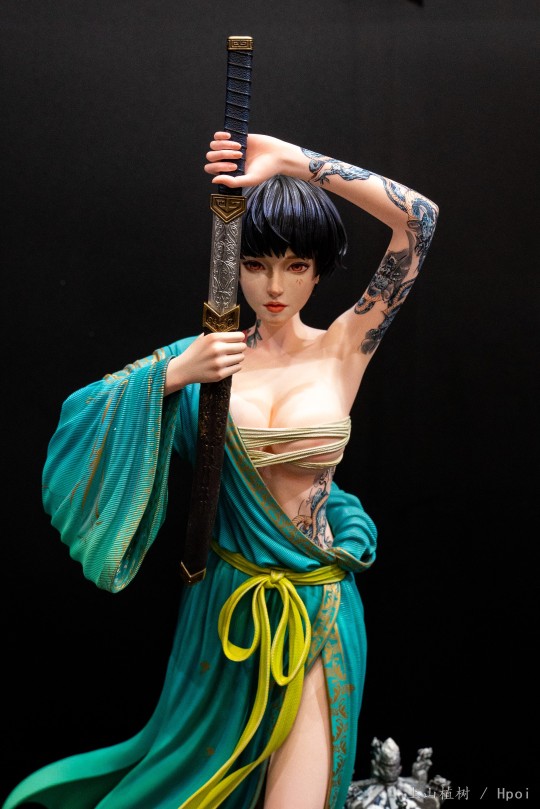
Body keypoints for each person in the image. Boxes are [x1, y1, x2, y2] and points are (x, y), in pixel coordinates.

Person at [2, 130, 438, 809]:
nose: (274, 285)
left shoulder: (346, 347)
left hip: (319, 603)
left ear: (319, 269)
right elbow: (82, 421)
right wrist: (173, 375)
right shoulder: (206, 356)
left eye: (296, 265)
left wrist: (294, 161)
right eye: (256, 263)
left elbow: (421, 220)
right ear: (235, 264)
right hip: (225, 610)